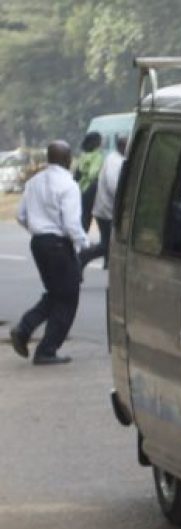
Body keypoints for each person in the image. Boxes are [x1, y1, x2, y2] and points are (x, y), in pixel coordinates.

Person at [8, 141, 88, 366]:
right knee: (68, 297)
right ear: (68, 159)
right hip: (59, 245)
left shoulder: (34, 182)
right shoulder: (68, 185)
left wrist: (39, 232)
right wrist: (83, 244)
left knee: (55, 293)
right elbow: (72, 224)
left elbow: (20, 216)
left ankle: (24, 329)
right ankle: (47, 349)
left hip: (40, 243)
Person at [78, 135, 126, 271]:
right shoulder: (114, 161)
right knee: (108, 244)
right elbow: (114, 186)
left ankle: (107, 263)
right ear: (122, 146)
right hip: (107, 210)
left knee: (110, 242)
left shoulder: (117, 159)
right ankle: (85, 255)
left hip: (107, 207)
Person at [72, 132, 104, 233]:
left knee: (83, 216)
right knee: (92, 216)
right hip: (91, 190)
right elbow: (93, 174)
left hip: (81, 189)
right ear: (97, 143)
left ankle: (79, 236)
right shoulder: (98, 156)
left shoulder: (83, 156)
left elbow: (77, 174)